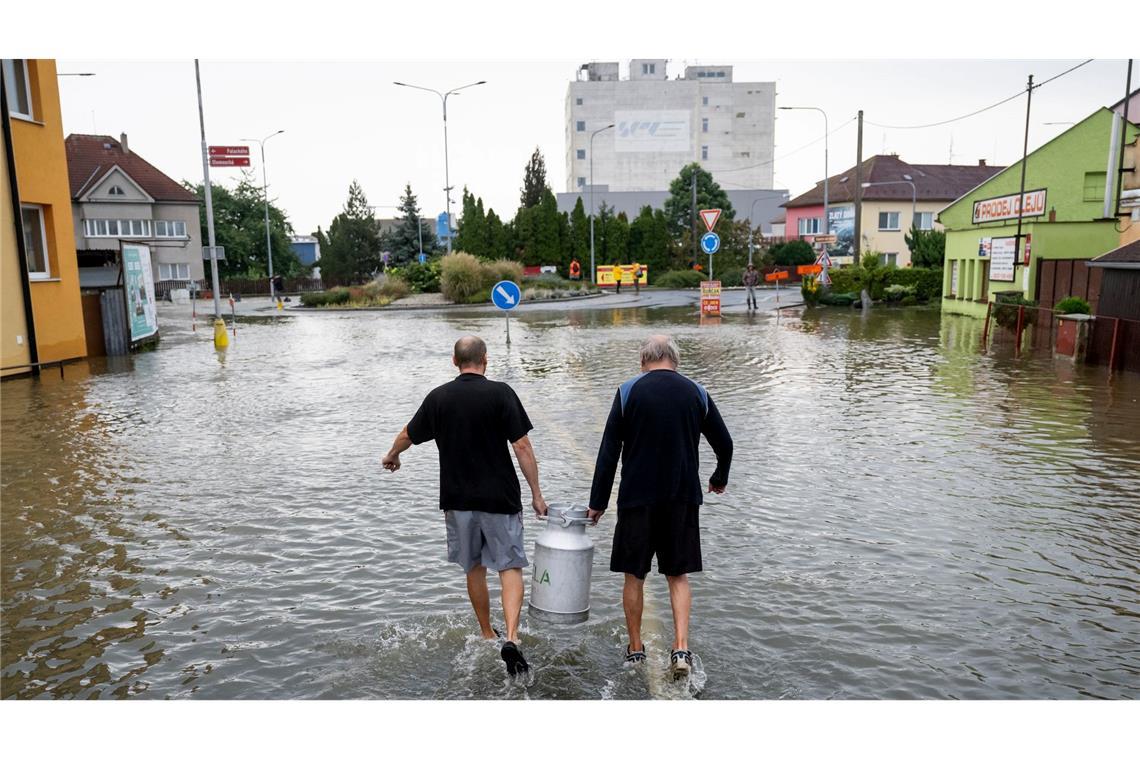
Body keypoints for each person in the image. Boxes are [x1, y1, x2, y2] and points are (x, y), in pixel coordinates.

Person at [382, 335, 548, 676]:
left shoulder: (439, 397)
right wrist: (536, 493)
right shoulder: (501, 393)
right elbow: (522, 446)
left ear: (454, 361)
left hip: (458, 501)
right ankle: (512, 638)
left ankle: (488, 633)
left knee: (474, 567)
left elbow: (408, 434)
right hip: (500, 499)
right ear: (485, 359)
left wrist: (392, 455)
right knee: (509, 566)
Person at [587, 335, 733, 680]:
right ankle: (681, 648)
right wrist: (719, 476)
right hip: (681, 496)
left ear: (643, 361)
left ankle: (636, 649)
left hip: (637, 498)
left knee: (634, 576)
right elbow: (724, 442)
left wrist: (598, 502)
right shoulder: (696, 392)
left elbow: (609, 452)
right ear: (675, 361)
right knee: (677, 575)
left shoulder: (627, 392)